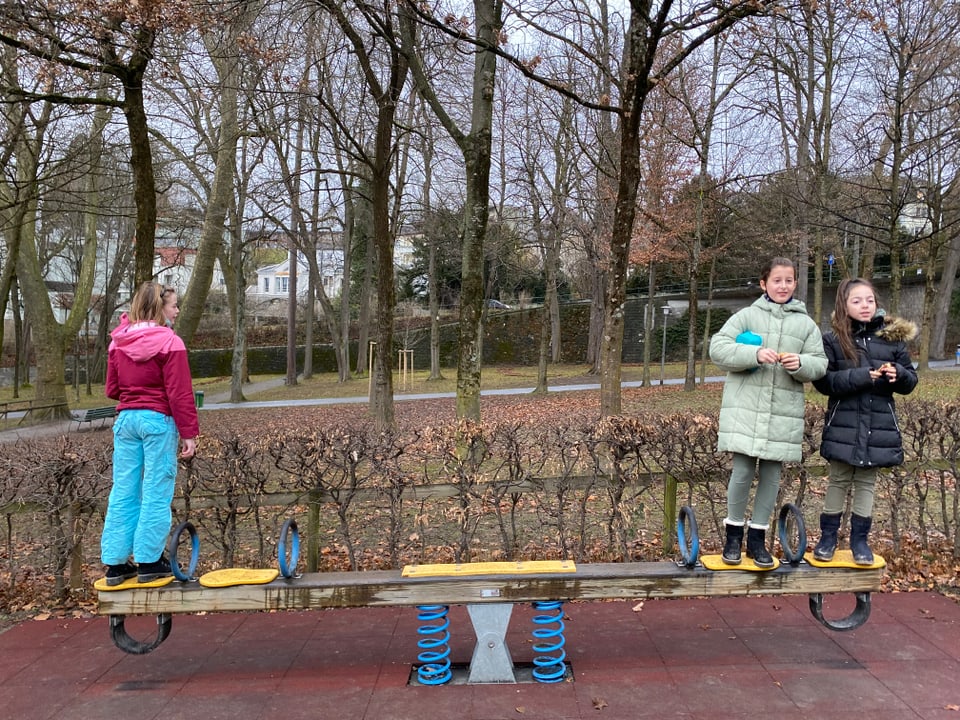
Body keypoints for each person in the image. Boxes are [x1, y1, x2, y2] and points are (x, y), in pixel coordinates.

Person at [709, 257, 827, 567]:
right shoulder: (746, 317)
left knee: (772, 477)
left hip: (782, 414)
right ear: (764, 284)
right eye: (777, 280)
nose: (783, 286)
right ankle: (732, 539)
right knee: (743, 472)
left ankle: (758, 542)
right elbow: (718, 349)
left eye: (789, 280)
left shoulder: (806, 324)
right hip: (746, 411)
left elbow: (820, 363)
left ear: (795, 284)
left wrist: (800, 364)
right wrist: (754, 354)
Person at [811, 278, 917, 565]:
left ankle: (860, 542)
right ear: (844, 305)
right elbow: (823, 382)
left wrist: (898, 374)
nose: (865, 306)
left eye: (869, 300)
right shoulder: (832, 339)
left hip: (877, 427)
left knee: (866, 484)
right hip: (843, 426)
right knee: (838, 481)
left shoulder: (892, 340)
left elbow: (910, 380)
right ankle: (828, 538)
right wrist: (862, 376)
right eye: (857, 301)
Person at [101, 282, 199, 585]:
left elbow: (112, 389)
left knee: (124, 490)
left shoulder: (118, 342)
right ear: (160, 309)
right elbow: (179, 392)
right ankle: (149, 560)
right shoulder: (170, 341)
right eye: (173, 305)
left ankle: (116, 564)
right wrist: (189, 433)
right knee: (156, 490)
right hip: (157, 420)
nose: (178, 310)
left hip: (126, 421)